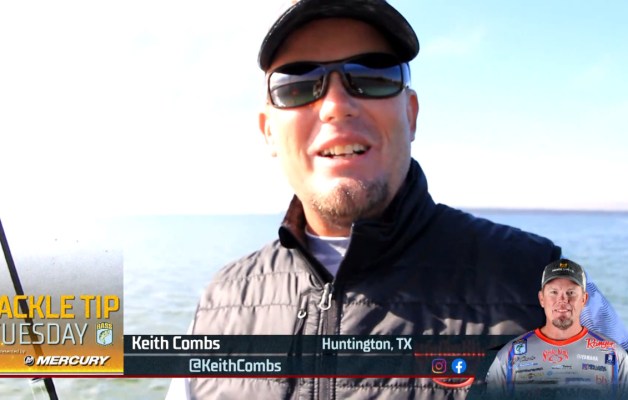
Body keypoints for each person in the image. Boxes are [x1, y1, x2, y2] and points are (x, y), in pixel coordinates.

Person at [167, 0, 628, 399]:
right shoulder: (219, 305)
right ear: (268, 131)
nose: (335, 105)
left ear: (411, 113)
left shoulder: (538, 284)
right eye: (297, 85)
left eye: (372, 75)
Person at [485, 259, 627, 399]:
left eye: (571, 292)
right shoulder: (509, 355)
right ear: (541, 298)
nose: (562, 300)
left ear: (584, 299)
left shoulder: (615, 355)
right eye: (554, 292)